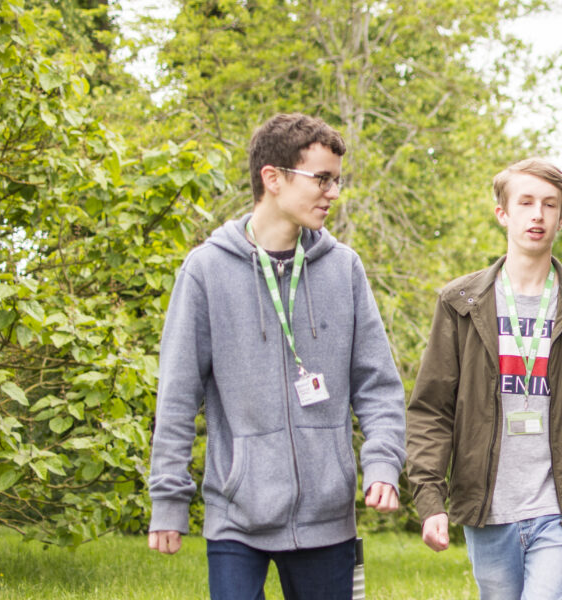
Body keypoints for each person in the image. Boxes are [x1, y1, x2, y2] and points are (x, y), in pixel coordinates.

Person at [146, 113, 407, 599]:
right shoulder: (205, 270)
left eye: (336, 180)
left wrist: (383, 466)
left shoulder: (345, 269)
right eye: (321, 179)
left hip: (328, 518)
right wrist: (168, 500)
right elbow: (177, 396)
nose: (333, 192)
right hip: (235, 516)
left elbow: (379, 387)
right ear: (273, 177)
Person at [405, 158, 562, 600]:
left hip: (560, 506)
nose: (538, 214)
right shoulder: (460, 303)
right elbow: (432, 409)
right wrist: (430, 498)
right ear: (503, 213)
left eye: (550, 205)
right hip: (488, 505)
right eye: (526, 202)